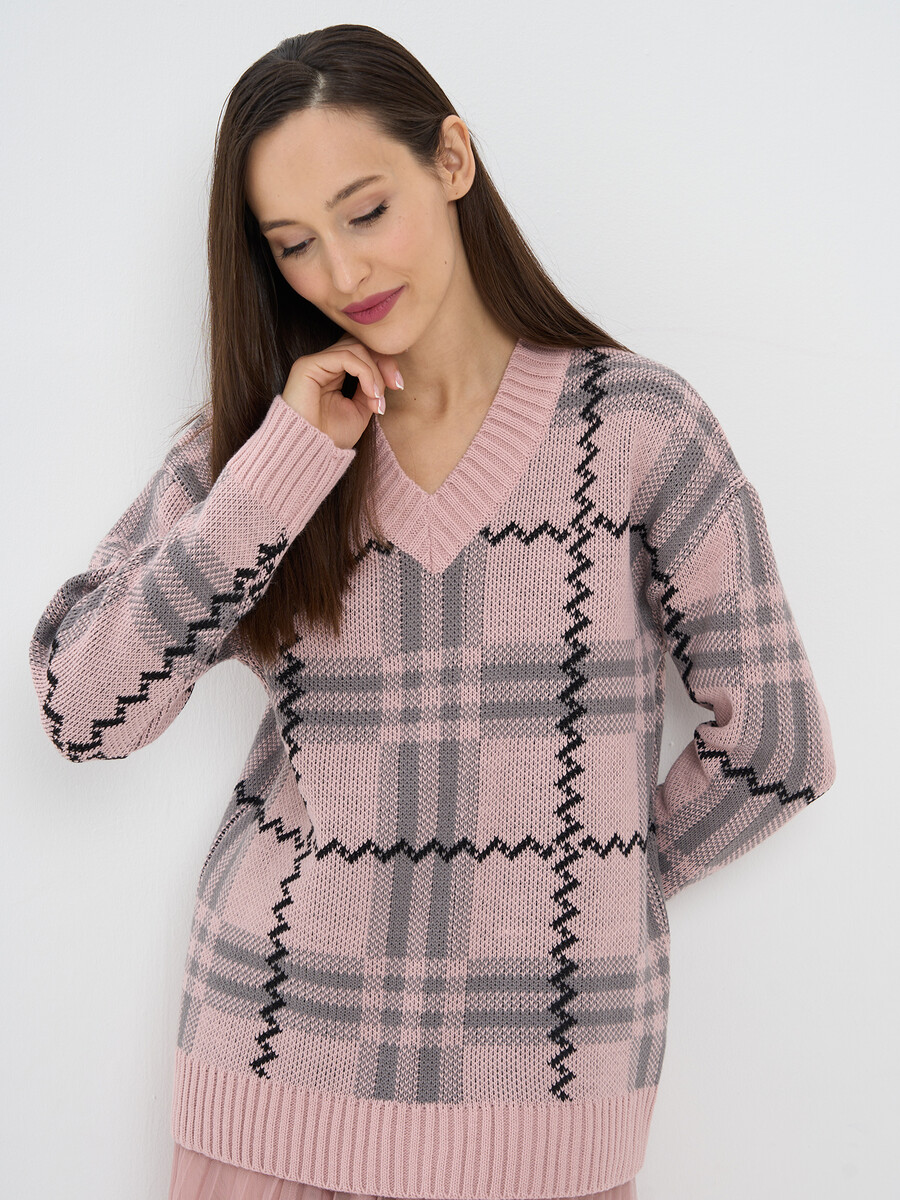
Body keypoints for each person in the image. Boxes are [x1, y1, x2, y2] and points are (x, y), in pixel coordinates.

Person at [28, 23, 836, 1200]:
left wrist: (584, 878)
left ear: (451, 160)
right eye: (294, 245)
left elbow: (779, 748)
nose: (341, 273)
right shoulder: (260, 450)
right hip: (276, 1076)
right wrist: (282, 470)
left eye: (366, 211)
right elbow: (81, 709)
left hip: (547, 1114)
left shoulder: (639, 430)